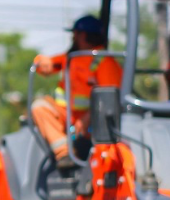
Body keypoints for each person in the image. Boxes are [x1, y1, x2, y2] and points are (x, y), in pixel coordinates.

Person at [30, 15, 123, 167]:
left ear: (83, 35)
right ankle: (64, 153)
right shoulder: (72, 57)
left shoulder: (105, 62)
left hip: (93, 121)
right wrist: (41, 61)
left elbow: (108, 99)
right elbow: (46, 65)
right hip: (67, 115)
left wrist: (86, 119)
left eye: (75, 33)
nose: (73, 37)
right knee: (39, 107)